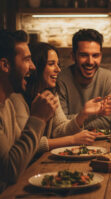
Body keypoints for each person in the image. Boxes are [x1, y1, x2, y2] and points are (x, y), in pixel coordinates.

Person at [10, 42, 110, 154]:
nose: (58, 69)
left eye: (58, 64)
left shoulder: (51, 93)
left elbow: (59, 130)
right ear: (37, 66)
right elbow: (26, 145)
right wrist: (72, 140)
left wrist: (83, 114)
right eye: (51, 64)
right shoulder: (17, 98)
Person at [0, 30, 57, 192]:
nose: (33, 67)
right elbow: (10, 170)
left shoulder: (8, 102)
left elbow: (24, 154)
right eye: (26, 60)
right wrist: (38, 118)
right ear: (5, 65)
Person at [57, 29, 111, 129]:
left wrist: (78, 122)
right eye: (84, 55)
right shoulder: (61, 79)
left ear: (101, 56)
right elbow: (61, 123)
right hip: (69, 142)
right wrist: (90, 114)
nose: (90, 61)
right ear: (73, 56)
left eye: (95, 55)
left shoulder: (107, 77)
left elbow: (109, 120)